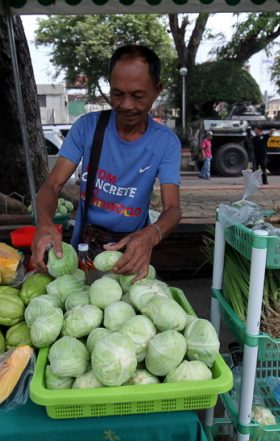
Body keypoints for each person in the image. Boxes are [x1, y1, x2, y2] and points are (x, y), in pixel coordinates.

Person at [31, 44, 182, 281]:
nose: (126, 105)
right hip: (85, 244)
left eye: (138, 95)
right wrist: (45, 223)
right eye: (118, 93)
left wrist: (151, 234)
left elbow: (172, 209)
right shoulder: (88, 128)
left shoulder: (166, 143)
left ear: (156, 90)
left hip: (135, 244)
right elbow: (52, 186)